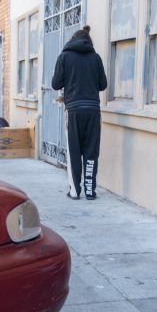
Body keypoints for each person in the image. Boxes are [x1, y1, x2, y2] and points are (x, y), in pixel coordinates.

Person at [51, 25, 108, 199]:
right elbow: (103, 85)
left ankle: (75, 191)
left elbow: (55, 84)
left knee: (73, 151)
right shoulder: (96, 58)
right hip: (93, 110)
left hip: (73, 110)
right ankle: (90, 191)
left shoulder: (64, 57)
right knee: (91, 150)